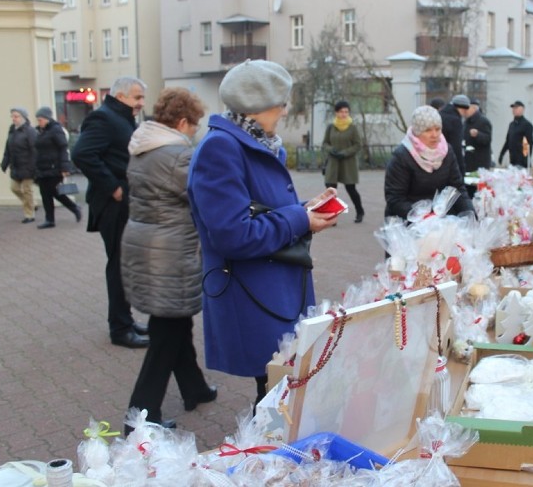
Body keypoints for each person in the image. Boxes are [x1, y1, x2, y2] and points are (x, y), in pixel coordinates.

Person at [187, 59, 338, 409]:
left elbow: (261, 209)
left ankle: (271, 457)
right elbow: (233, 234)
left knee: (281, 389)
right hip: (253, 292)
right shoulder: (221, 148)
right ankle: (265, 461)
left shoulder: (257, 143)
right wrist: (300, 218)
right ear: (258, 106)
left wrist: (305, 208)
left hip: (272, 288)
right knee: (274, 395)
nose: (285, 111)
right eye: (281, 103)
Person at [123, 88, 216, 433]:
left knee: (174, 322)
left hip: (145, 242)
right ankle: (141, 416)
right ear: (181, 122)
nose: (194, 132)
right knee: (167, 332)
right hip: (171, 249)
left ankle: (195, 389)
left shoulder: (142, 147)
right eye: (193, 125)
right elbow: (204, 198)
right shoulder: (178, 154)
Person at [72, 78, 149, 349]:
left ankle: (125, 321)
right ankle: (120, 328)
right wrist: (113, 187)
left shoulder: (120, 117)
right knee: (118, 266)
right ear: (120, 95)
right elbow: (81, 154)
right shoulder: (103, 119)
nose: (141, 103)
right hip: (113, 205)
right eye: (137, 98)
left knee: (124, 265)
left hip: (123, 202)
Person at [384, 105, 473, 221]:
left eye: (437, 129)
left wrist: (469, 213)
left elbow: (457, 188)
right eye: (428, 130)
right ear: (417, 132)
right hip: (408, 221)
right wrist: (423, 217)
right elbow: (395, 199)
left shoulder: (447, 151)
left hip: (441, 219)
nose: (434, 135)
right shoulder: (402, 156)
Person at [34, 107, 81, 228]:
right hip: (42, 168)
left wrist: (65, 168)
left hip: (55, 167)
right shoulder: (41, 131)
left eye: (40, 120)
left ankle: (74, 208)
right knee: (45, 194)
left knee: (54, 191)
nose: (39, 122)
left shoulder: (56, 130)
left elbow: (63, 148)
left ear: (47, 118)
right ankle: (49, 219)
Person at [322, 100, 365, 223]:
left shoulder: (352, 128)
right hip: (333, 162)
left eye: (346, 112)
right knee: (330, 189)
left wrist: (344, 153)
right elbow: (325, 143)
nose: (344, 114)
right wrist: (332, 150)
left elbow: (358, 145)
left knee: (351, 188)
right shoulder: (331, 127)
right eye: (341, 111)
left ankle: (360, 211)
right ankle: (332, 216)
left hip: (348, 163)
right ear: (336, 113)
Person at [1, 107, 37, 224]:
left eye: (16, 116)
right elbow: (8, 148)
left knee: (27, 190)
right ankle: (31, 203)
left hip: (28, 166)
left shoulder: (30, 131)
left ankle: (29, 214)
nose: (14, 119)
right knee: (14, 188)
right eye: (12, 116)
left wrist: (34, 166)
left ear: (23, 117)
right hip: (16, 166)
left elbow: (35, 150)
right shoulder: (12, 131)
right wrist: (5, 163)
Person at [498, 100, 533, 168]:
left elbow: (529, 144)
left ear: (522, 109)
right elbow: (508, 141)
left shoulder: (527, 125)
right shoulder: (512, 125)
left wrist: (525, 159)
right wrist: (502, 154)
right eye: (513, 108)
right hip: (512, 160)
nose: (514, 110)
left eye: (516, 108)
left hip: (522, 161)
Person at [439, 94, 468, 177]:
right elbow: (456, 147)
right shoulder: (455, 121)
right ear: (462, 108)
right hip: (449, 162)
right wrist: (461, 169)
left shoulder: (440, 114)